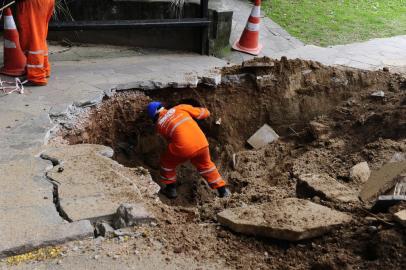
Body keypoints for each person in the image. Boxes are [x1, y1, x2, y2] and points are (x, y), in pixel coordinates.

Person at [147, 101, 230, 199]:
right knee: (207, 166)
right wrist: (204, 112)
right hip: (201, 142)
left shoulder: (159, 125)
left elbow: (170, 140)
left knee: (166, 163)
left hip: (183, 148)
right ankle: (223, 191)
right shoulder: (180, 108)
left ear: (154, 116)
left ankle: (171, 189)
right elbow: (204, 113)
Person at [17, 0, 55, 86]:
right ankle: (43, 69)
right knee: (39, 35)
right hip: (44, 2)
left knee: (33, 37)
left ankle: (36, 76)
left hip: (32, 3)